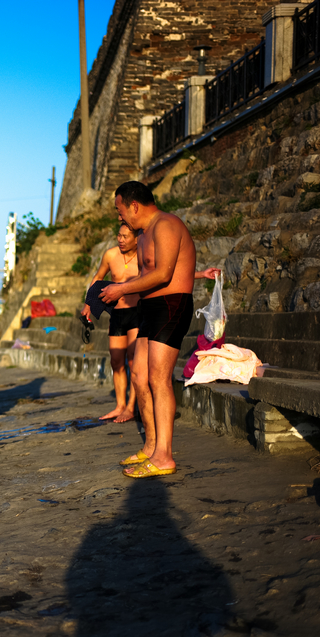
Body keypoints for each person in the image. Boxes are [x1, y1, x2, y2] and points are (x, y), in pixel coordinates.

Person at [100, 182, 220, 479]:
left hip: (171, 306)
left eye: (120, 210)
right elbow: (149, 273)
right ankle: (152, 447)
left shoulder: (167, 225)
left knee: (158, 377)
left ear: (134, 206)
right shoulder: (142, 237)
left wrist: (122, 289)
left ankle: (165, 456)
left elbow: (165, 273)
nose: (119, 218)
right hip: (148, 309)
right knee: (139, 374)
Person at [81, 221, 140, 423]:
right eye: (119, 236)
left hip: (137, 313)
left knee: (133, 361)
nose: (121, 240)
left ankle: (131, 407)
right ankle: (120, 406)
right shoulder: (110, 255)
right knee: (116, 361)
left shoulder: (144, 256)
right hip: (117, 314)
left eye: (125, 237)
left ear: (137, 238)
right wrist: (88, 304)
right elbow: (97, 278)